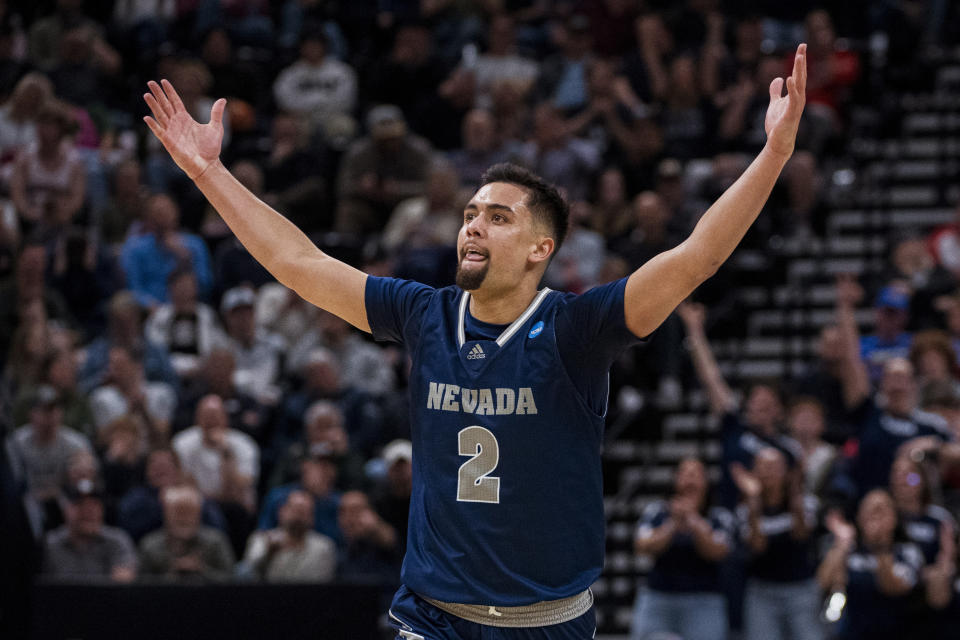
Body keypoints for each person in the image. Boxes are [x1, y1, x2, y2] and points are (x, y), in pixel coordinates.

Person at [142, 42, 806, 636]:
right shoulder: (422, 312)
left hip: (546, 619)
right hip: (433, 614)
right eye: (469, 215)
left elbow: (696, 258)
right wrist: (209, 174)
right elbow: (300, 264)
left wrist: (774, 152)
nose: (473, 226)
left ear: (541, 247)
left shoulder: (576, 328)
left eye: (497, 216)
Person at [631, 457, 734, 640]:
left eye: (696, 475)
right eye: (685, 474)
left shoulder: (719, 516)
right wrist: (673, 524)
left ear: (706, 482)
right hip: (659, 597)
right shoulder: (657, 512)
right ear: (675, 479)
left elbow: (718, 552)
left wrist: (694, 521)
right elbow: (642, 547)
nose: (690, 480)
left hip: (704, 600)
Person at [732, 449, 823, 640]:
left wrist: (795, 491)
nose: (769, 472)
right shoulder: (744, 511)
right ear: (754, 473)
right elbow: (758, 546)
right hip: (762, 592)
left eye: (774, 467)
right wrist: (754, 501)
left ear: (786, 471)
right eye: (763, 467)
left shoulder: (806, 503)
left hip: (801, 588)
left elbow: (801, 535)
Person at [41, 478, 137, 582]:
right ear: (66, 510)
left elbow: (123, 587)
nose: (87, 511)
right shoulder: (50, 545)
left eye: (94, 504)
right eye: (80, 504)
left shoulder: (117, 541)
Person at [138, 484, 235, 582]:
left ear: (199, 513)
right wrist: (172, 575)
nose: (184, 519)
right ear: (166, 514)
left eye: (189, 512)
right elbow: (139, 582)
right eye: (178, 512)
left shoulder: (215, 541)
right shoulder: (150, 545)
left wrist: (201, 570)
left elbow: (231, 580)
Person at [241, 489, 336, 583]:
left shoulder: (324, 547)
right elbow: (245, 575)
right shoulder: (262, 539)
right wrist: (268, 555)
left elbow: (322, 583)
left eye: (304, 512)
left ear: (312, 517)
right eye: (295, 510)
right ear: (281, 511)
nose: (299, 517)